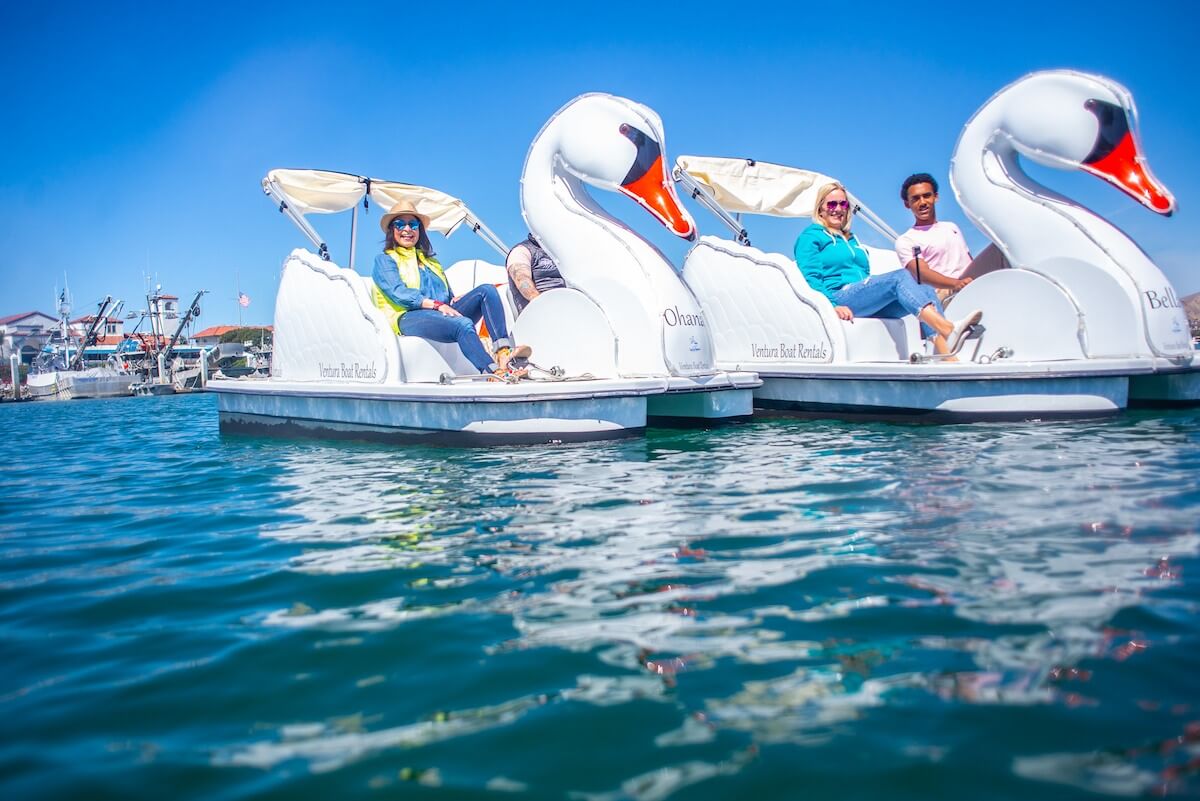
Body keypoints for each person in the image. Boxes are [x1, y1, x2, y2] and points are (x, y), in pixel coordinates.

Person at [794, 182, 982, 357]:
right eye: (831, 204)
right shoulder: (811, 236)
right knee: (901, 277)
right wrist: (832, 306)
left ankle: (945, 356)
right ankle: (948, 330)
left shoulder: (851, 239)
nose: (838, 209)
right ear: (821, 208)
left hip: (860, 299)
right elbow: (810, 278)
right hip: (839, 297)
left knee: (923, 286)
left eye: (843, 204)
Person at [372, 199, 530, 378]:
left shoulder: (430, 261)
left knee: (487, 290)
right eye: (400, 224)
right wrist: (438, 305)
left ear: (419, 230)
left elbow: (446, 293)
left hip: (438, 313)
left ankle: (503, 352)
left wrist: (452, 299)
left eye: (413, 224)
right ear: (392, 230)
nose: (407, 229)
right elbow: (399, 293)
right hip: (407, 317)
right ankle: (492, 371)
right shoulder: (384, 260)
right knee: (462, 323)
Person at [895, 173, 974, 303]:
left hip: (969, 279)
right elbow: (922, 274)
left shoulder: (951, 227)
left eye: (926, 196)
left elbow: (968, 259)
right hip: (943, 291)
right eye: (915, 199)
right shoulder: (907, 240)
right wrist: (956, 283)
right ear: (907, 204)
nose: (922, 202)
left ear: (935, 197)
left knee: (999, 251)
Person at [505, 233, 565, 315]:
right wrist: (537, 300)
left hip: (571, 305)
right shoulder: (521, 251)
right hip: (541, 314)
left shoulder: (560, 251)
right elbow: (521, 280)